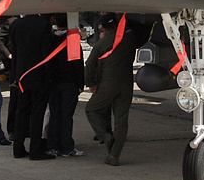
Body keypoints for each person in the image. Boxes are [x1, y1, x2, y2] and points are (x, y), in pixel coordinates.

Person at [83, 13, 148, 166]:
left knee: (91, 109)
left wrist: (91, 82)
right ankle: (114, 155)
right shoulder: (130, 39)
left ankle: (104, 135)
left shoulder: (102, 43)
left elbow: (90, 64)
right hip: (126, 83)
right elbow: (143, 34)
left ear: (104, 28)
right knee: (121, 120)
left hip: (107, 84)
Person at [7, 13, 58, 160]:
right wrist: (49, 76)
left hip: (22, 75)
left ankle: (18, 148)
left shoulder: (16, 24)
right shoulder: (43, 25)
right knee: (37, 113)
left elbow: (15, 53)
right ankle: (35, 149)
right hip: (39, 75)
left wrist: (16, 76)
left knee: (22, 112)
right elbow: (46, 54)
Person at [47, 13, 85, 157]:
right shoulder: (72, 40)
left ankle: (52, 145)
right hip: (69, 82)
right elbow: (78, 64)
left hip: (53, 82)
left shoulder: (50, 38)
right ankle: (67, 147)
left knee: (54, 114)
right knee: (66, 116)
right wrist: (80, 84)